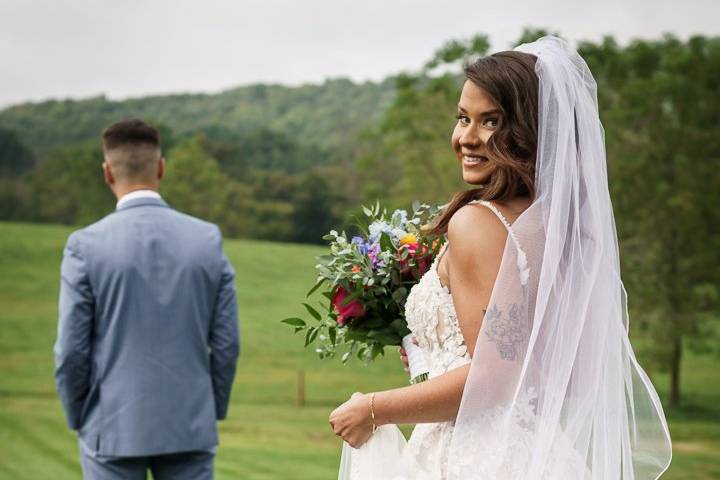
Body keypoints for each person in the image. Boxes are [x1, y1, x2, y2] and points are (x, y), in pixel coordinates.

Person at [329, 36, 672, 479]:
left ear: (530, 130)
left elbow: (494, 379)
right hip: (536, 453)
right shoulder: (560, 231)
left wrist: (373, 409)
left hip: (473, 456)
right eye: (462, 118)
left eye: (490, 122)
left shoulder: (477, 223)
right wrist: (430, 355)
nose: (467, 138)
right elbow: (557, 371)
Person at [54, 118, 240, 480]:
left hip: (110, 425)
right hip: (190, 422)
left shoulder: (84, 246)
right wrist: (209, 407)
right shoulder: (207, 239)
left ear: (107, 172)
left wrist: (79, 414)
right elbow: (227, 343)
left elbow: (71, 350)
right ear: (161, 168)